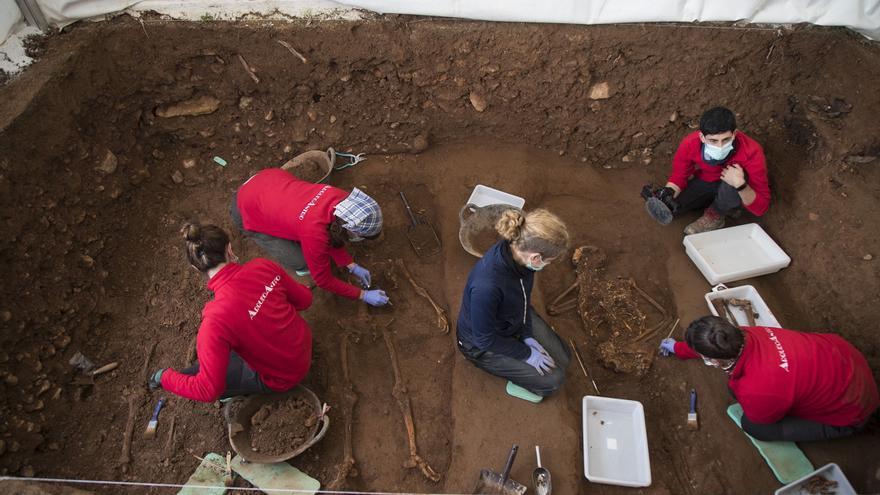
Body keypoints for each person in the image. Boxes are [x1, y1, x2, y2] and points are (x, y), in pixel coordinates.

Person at [148, 223, 314, 402]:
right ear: (229, 249)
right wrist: (265, 301)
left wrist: (164, 376)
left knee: (191, 375)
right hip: (303, 346)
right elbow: (305, 300)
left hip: (284, 377)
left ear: (196, 269)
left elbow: (207, 390)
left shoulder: (215, 321)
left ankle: (233, 391)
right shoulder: (262, 266)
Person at [659, 316, 879, 442]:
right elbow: (708, 345)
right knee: (740, 391)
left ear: (715, 361)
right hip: (846, 361)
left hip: (854, 409)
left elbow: (764, 418)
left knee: (754, 425)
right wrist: (678, 348)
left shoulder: (759, 389)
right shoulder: (744, 334)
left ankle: (849, 428)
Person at [456, 208, 572, 402]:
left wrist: (527, 335)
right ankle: (521, 382)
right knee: (554, 380)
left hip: (513, 318)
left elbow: (524, 299)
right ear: (536, 258)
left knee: (564, 358)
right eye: (549, 261)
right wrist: (527, 354)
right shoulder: (486, 286)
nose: (548, 265)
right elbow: (484, 339)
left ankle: (521, 349)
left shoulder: (520, 257)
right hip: (481, 345)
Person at [231, 168, 389, 307]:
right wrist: (363, 295)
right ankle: (267, 233)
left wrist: (350, 264)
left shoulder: (341, 198)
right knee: (302, 262)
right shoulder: (314, 233)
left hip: (267, 179)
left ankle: (287, 223)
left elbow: (333, 229)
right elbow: (323, 281)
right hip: (244, 206)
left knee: (298, 223)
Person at [642, 106, 771, 235]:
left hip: (733, 187)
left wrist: (740, 185)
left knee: (733, 181)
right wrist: (668, 192)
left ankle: (718, 213)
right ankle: (719, 203)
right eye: (713, 141)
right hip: (706, 181)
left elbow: (761, 208)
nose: (720, 146)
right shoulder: (690, 143)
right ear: (702, 137)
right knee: (672, 207)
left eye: (726, 139)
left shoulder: (752, 152)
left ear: (734, 134)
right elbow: (679, 175)